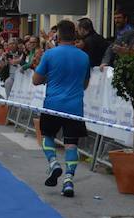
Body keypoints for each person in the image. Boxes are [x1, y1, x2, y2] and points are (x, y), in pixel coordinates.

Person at [32, 20, 91, 198]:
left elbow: (36, 80)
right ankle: (68, 181)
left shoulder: (50, 54)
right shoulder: (84, 56)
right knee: (71, 144)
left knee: (47, 136)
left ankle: (53, 163)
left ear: (58, 36)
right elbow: (85, 83)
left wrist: (48, 77)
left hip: (53, 104)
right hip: (74, 106)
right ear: (74, 35)